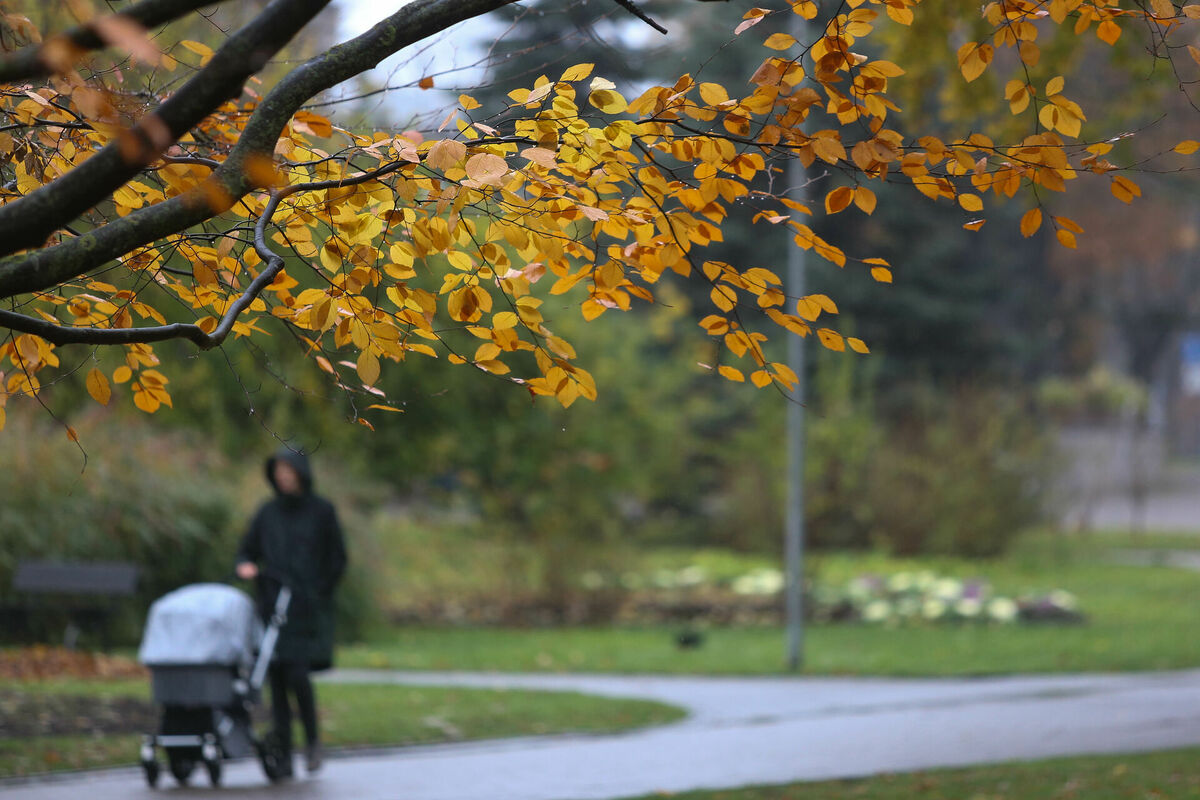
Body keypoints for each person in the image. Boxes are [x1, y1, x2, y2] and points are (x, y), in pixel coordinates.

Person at [235, 447, 347, 777]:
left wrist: (318, 591)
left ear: (300, 473)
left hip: (304, 606)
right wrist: (246, 566)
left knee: (298, 674)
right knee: (277, 679)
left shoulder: (322, 511)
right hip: (272, 606)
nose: (284, 477)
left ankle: (312, 741)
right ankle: (283, 752)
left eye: (289, 471)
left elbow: (337, 558)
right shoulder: (267, 512)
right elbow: (247, 550)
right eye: (279, 471)